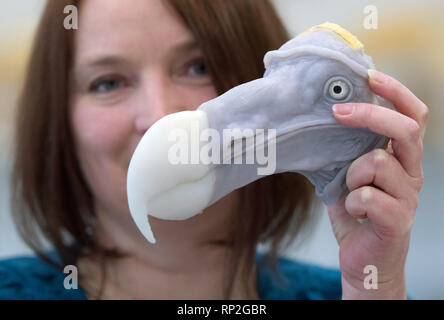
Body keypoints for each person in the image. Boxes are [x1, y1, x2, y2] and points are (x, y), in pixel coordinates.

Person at [0, 0, 428, 300]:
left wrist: (375, 286)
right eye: (107, 82)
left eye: (197, 67)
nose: (158, 116)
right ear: (59, 121)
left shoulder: (349, 290)